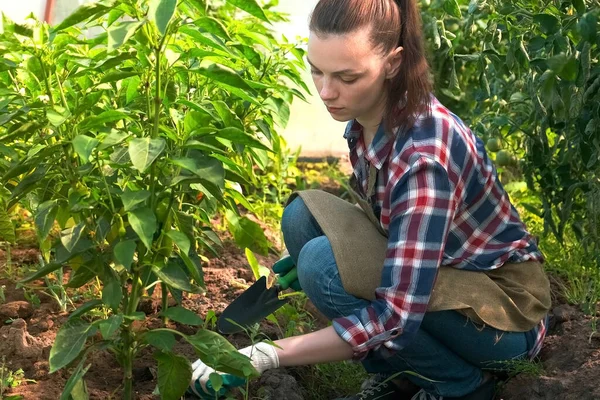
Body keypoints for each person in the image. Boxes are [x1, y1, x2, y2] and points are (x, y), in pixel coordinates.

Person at [188, 0, 551, 399]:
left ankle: (458, 386)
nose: (326, 92)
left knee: (322, 265)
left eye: (347, 76)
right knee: (301, 220)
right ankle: (396, 373)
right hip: (446, 273)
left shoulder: (424, 160)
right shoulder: (368, 118)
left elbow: (396, 315)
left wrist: (268, 354)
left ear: (393, 63)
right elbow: (390, 224)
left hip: (502, 318)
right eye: (317, 71)